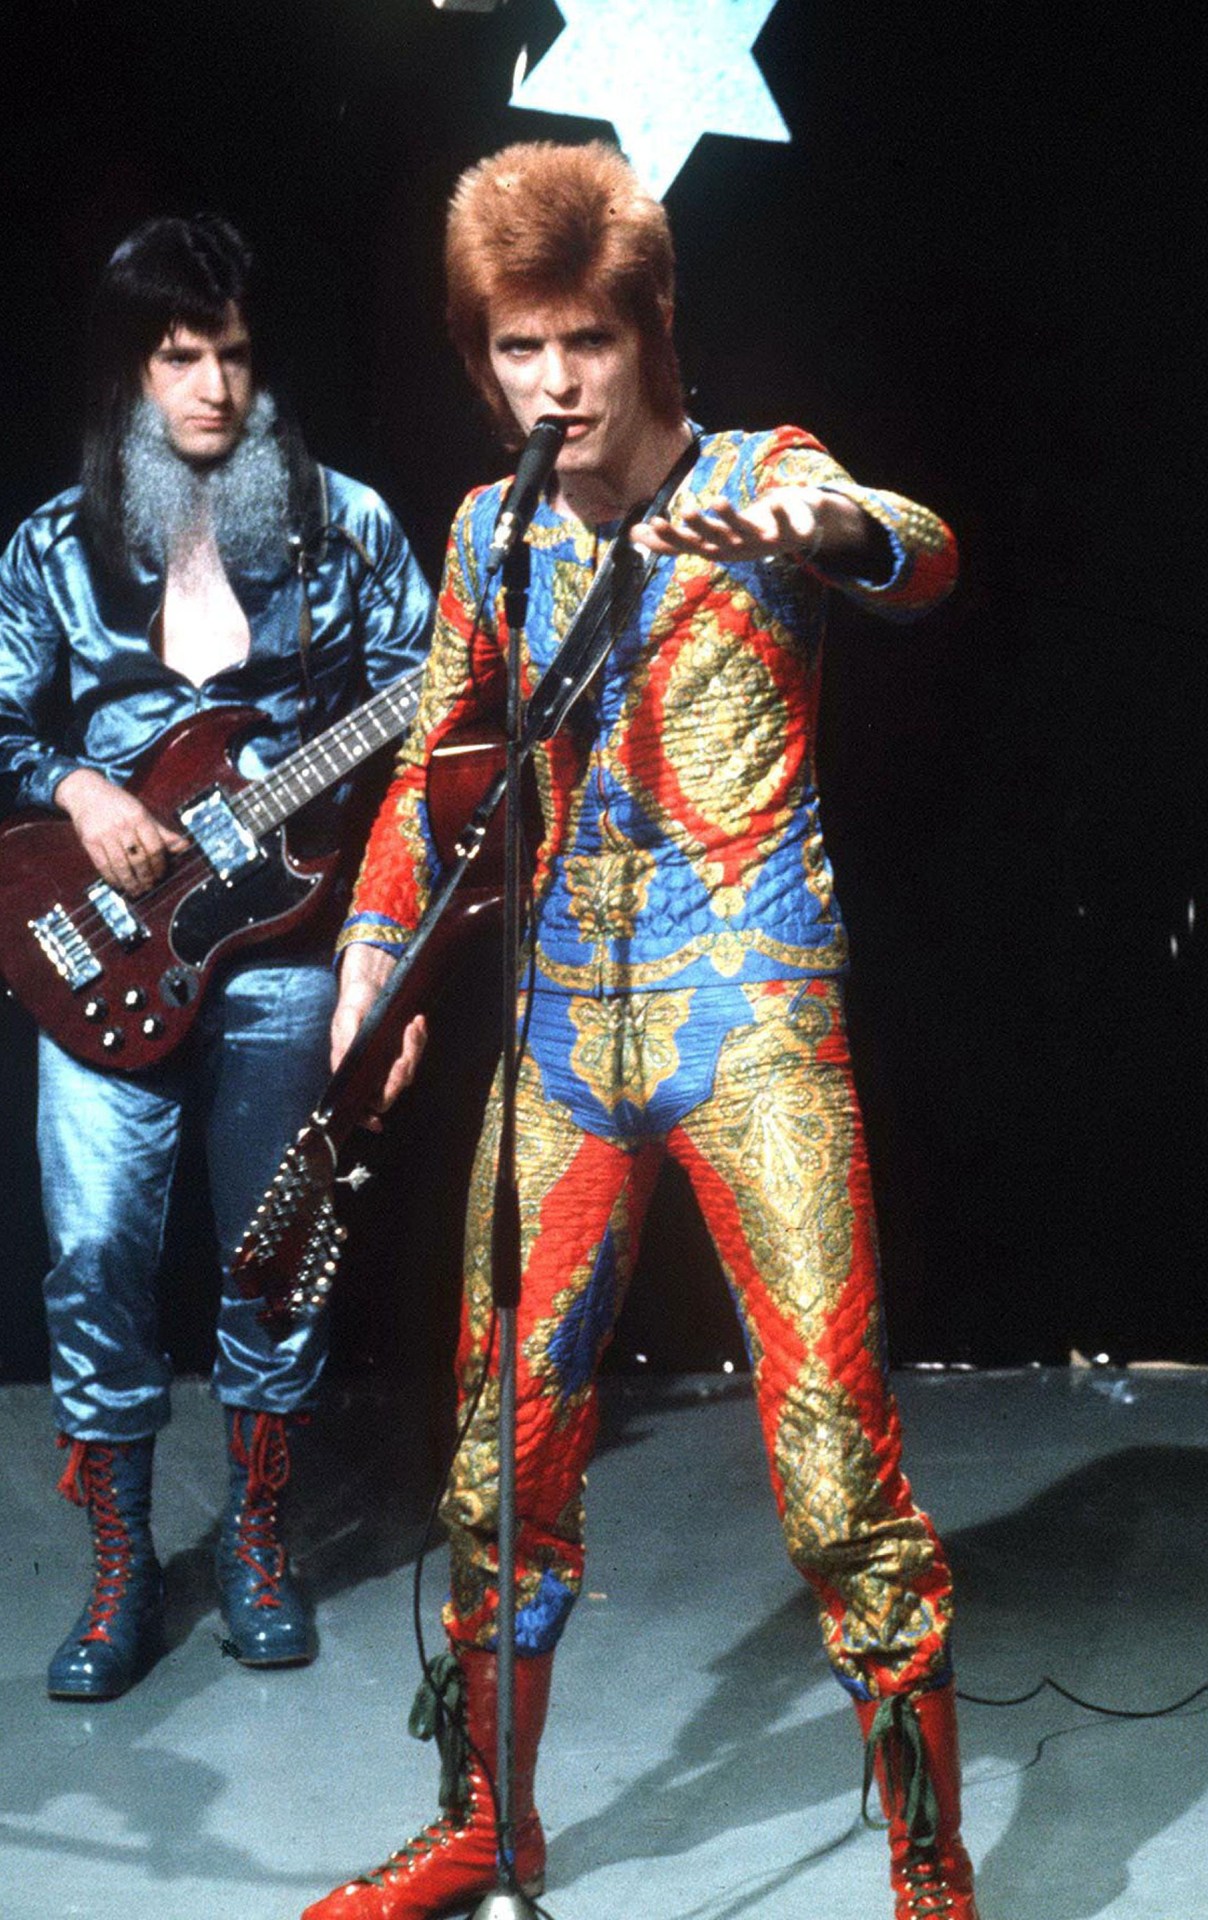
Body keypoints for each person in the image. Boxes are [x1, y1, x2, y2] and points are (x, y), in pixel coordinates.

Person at [309, 141, 974, 1920]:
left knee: (831, 1467)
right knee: (496, 1456)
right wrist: (374, 955)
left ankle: (928, 1865)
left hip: (752, 1018)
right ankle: (489, 1823)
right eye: (518, 348)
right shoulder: (490, 530)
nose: (555, 384)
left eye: (585, 341)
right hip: (560, 1041)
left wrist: (830, 528)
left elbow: (917, 556)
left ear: (652, 331)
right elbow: (436, 770)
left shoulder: (760, 477)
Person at [0, 215, 435, 1700]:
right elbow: (1, 723)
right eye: (180, 358)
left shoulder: (348, 527)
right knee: (94, 1254)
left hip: (286, 947)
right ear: (131, 371)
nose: (213, 389)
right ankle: (122, 1564)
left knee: (282, 1248)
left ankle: (257, 1536)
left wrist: (385, 940)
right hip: (96, 943)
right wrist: (81, 788)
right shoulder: (52, 548)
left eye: (234, 356)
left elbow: (432, 724)